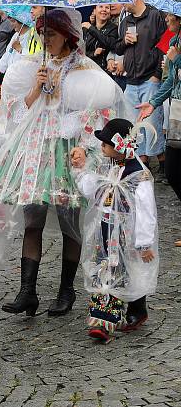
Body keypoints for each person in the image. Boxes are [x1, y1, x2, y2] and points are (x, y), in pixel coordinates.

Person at [0, 8, 132, 319]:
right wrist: (37, 88)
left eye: (50, 33)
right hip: (37, 148)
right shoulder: (33, 66)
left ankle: (66, 290)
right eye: (42, 33)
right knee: (32, 218)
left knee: (69, 221)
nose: (45, 39)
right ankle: (28, 291)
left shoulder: (83, 68)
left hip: (67, 151)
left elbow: (95, 111)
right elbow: (15, 113)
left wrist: (84, 146)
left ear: (67, 34)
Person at [70, 118, 159, 342]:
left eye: (105, 144)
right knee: (105, 270)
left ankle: (128, 313)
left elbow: (147, 211)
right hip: (105, 229)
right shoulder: (106, 166)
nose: (101, 148)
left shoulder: (139, 175)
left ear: (119, 147)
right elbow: (92, 187)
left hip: (126, 234)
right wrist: (80, 171)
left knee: (124, 271)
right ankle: (103, 321)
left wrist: (144, 243)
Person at [136, 12, 181, 247]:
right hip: (176, 111)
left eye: (169, 17)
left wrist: (177, 60)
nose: (165, 20)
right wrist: (153, 103)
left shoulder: (176, 50)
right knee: (173, 172)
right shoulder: (173, 43)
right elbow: (171, 82)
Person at [114, 0, 167, 167]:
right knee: (134, 125)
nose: (122, 5)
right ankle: (143, 165)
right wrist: (125, 41)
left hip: (149, 77)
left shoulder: (155, 16)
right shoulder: (125, 21)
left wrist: (157, 75)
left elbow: (164, 46)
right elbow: (117, 48)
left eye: (124, 1)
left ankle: (164, 166)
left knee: (153, 124)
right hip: (131, 80)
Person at [0, 6, 42, 82]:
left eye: (13, 21)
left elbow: (34, 60)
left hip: (23, 80)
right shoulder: (15, 35)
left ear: (22, 22)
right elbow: (6, 56)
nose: (11, 24)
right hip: (10, 78)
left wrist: (20, 49)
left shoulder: (33, 36)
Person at [82, 5, 119, 72]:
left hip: (104, 72)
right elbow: (79, 52)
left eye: (107, 8)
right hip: (86, 70)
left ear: (110, 12)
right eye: (101, 7)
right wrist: (93, 54)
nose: (104, 9)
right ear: (94, 11)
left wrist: (92, 29)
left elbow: (112, 45)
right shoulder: (86, 28)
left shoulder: (113, 28)